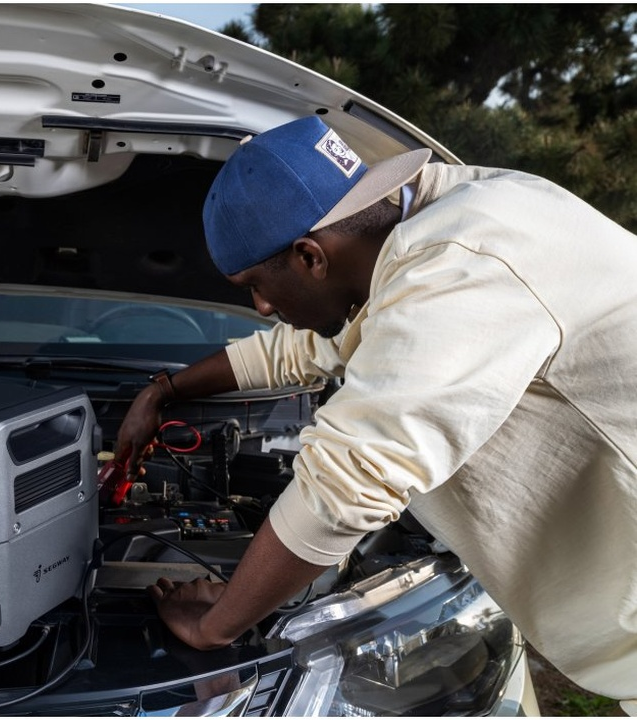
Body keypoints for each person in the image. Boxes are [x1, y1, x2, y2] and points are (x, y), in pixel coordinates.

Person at [115, 116, 637, 710]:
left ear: (311, 256)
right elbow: (305, 347)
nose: (260, 306)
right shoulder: (425, 226)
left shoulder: (463, 265)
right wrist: (165, 390)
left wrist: (217, 627)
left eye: (254, 286)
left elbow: (347, 484)